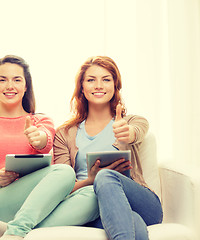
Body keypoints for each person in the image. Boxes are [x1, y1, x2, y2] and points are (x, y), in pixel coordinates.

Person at [0, 55, 99, 240]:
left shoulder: (40, 121)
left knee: (94, 196)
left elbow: (45, 140)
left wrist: (39, 139)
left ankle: (9, 228)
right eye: (3, 80)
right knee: (65, 172)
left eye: (17, 80)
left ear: (26, 85)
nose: (10, 86)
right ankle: (15, 232)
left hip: (35, 202)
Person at [53, 56, 163, 240]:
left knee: (105, 176)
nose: (98, 85)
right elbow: (60, 187)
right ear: (81, 87)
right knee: (133, 224)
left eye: (106, 79)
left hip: (141, 202)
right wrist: (90, 180)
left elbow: (137, 131)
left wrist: (128, 133)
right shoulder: (65, 133)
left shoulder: (132, 122)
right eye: (91, 80)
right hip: (92, 205)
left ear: (115, 85)